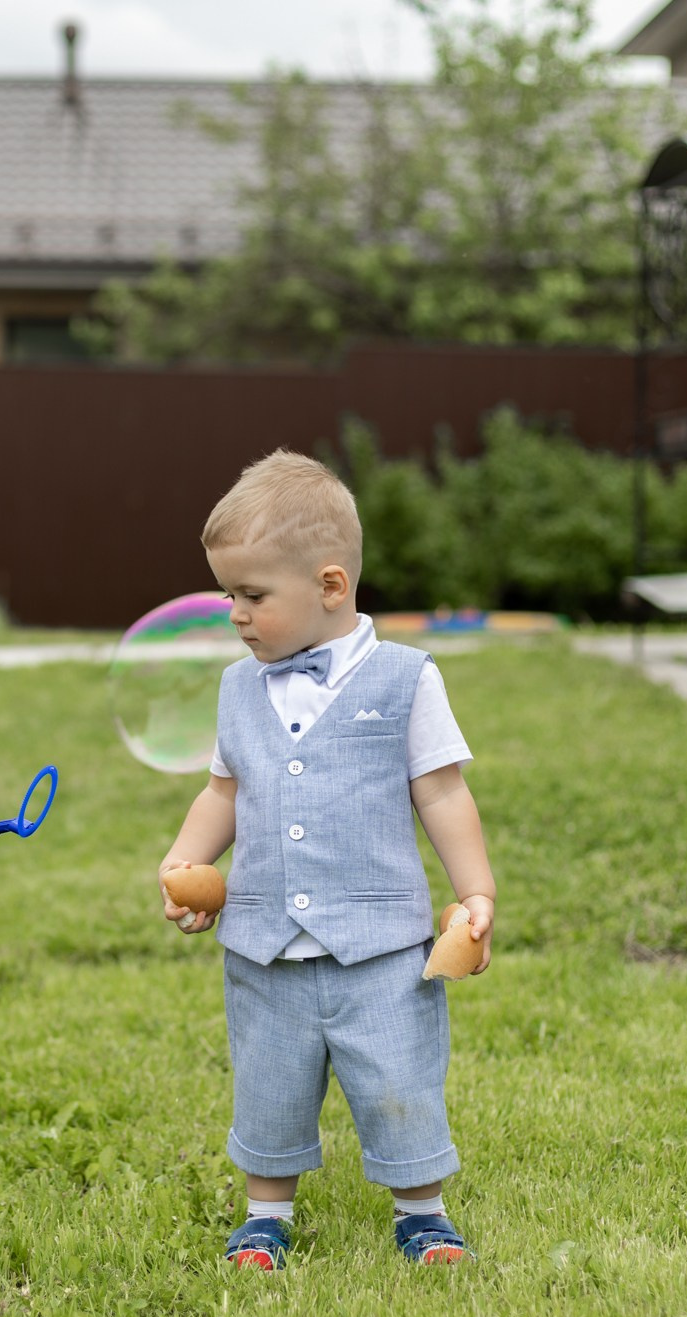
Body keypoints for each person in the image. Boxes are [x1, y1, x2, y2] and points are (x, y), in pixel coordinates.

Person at [157, 449, 498, 1269]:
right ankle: (265, 1214)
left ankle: (422, 1210)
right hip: (264, 946)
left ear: (331, 585)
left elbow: (443, 793)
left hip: (381, 949)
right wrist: (184, 861)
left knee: (398, 1079)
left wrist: (475, 890)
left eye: (253, 595)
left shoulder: (406, 679)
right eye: (229, 594)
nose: (236, 614)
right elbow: (223, 792)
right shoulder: (239, 688)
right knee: (270, 1086)